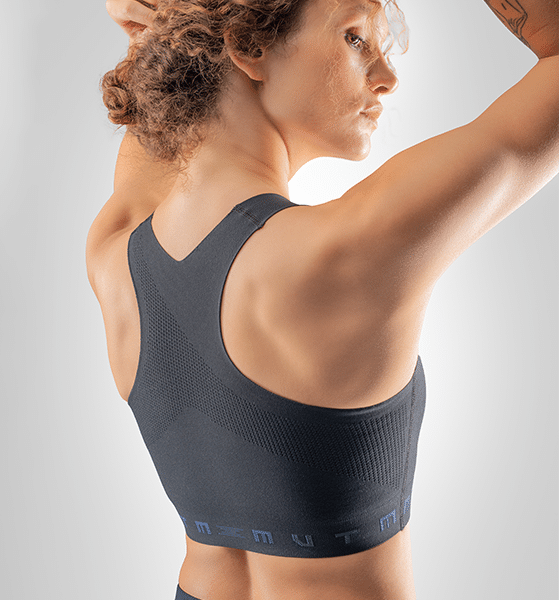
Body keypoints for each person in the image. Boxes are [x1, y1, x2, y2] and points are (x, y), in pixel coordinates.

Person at [86, 0, 559, 598]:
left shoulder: (117, 248)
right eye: (356, 37)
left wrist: (157, 26)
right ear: (249, 46)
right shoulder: (345, 254)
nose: (387, 77)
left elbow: (164, 60)